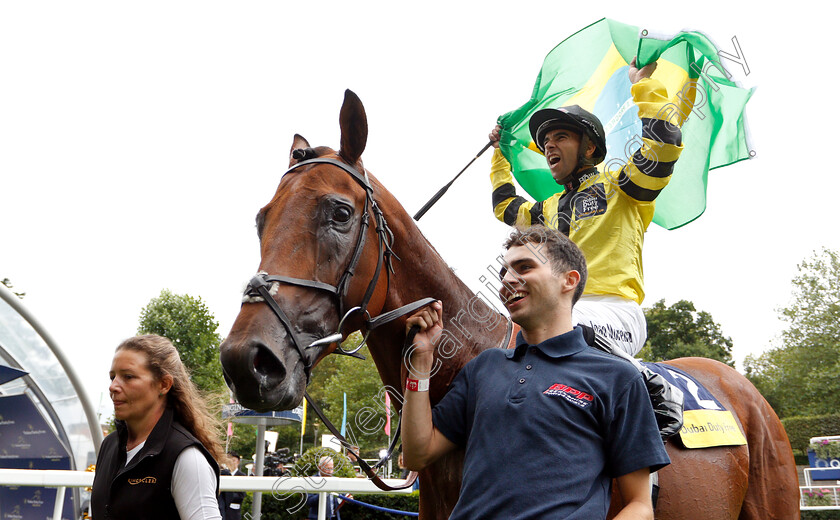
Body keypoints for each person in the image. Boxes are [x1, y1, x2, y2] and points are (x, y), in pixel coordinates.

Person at [402, 226, 670, 519]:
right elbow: (418, 453)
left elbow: (640, 505)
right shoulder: (483, 367)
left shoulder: (618, 377)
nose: (506, 280)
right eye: (503, 272)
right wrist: (421, 362)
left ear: (569, 280)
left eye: (524, 267)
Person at [489, 58, 685, 358]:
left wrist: (641, 84)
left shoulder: (621, 185)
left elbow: (663, 145)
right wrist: (500, 154)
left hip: (616, 311)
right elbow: (505, 207)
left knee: (549, 327)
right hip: (561, 310)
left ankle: (654, 391)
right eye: (546, 143)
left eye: (561, 137)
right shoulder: (548, 209)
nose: (549, 147)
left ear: (589, 148)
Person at [91, 334, 222, 520]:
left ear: (164, 384)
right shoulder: (109, 445)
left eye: (128, 377)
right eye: (113, 377)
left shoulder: (186, 456)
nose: (113, 386)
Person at [219, 452, 246, 520]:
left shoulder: (242, 476)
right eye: (229, 460)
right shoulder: (223, 474)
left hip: (233, 512)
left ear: (238, 462)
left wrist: (227, 496)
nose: (231, 463)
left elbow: (241, 495)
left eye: (233, 460)